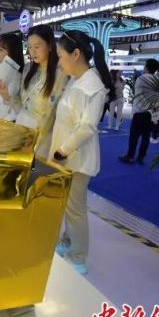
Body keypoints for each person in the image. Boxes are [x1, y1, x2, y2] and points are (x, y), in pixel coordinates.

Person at [51, 30, 114, 275]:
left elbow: (87, 126)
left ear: (75, 54)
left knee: (75, 209)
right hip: (66, 157)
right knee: (69, 206)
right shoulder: (76, 81)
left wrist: (62, 151)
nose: (59, 61)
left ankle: (78, 256)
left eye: (60, 56)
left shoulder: (92, 87)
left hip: (76, 159)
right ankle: (68, 242)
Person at [13, 24, 69, 157]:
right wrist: (8, 97)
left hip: (42, 134)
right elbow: (23, 103)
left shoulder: (60, 73)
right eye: (29, 47)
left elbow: (52, 111)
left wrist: (37, 139)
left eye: (37, 47)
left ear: (49, 46)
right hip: (22, 127)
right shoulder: (28, 69)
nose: (32, 52)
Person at [119, 58, 159, 164]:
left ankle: (130, 156)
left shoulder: (141, 78)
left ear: (146, 67)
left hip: (140, 112)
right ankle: (141, 157)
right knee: (146, 137)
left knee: (134, 136)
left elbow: (137, 92)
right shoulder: (157, 80)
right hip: (151, 113)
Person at [0, 33, 25, 121]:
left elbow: (4, 108)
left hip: (5, 121)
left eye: (1, 50)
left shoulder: (9, 72)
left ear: (12, 52)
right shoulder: (16, 72)